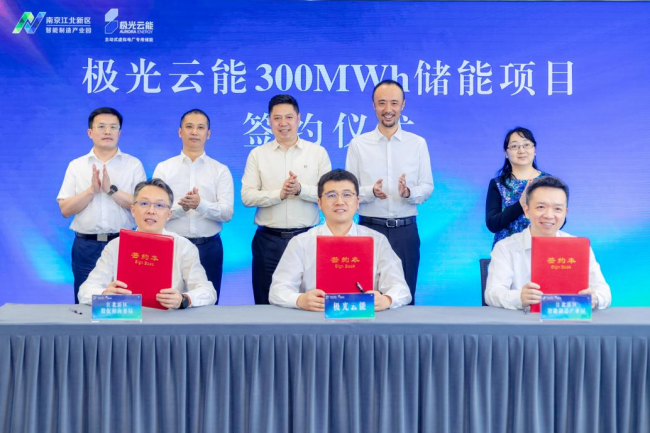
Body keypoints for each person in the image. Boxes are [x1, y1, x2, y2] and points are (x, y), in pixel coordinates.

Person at [269, 169, 411, 311]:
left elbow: (401, 289)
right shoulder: (301, 242)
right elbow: (277, 290)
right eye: (331, 195)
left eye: (347, 195)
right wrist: (299, 300)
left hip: (363, 318)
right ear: (319, 203)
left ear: (357, 202)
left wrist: (387, 300)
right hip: (315, 318)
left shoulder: (377, 241)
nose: (340, 202)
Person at [345, 79, 433, 304]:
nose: (388, 109)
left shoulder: (417, 143)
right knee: (365, 296)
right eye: (381, 103)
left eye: (394, 103)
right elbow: (348, 192)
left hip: (405, 232)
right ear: (373, 105)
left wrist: (409, 193)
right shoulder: (358, 144)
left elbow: (427, 187)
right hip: (368, 229)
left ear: (403, 105)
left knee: (404, 298)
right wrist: (371, 191)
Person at [242, 94, 331, 304]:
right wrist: (279, 195)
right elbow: (247, 196)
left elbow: (328, 195)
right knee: (265, 302)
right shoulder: (258, 154)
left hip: (307, 238)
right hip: (268, 241)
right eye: (277, 118)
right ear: (269, 121)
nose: (283, 123)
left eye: (289, 117)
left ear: (298, 118)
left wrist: (300, 190)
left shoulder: (317, 153)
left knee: (310, 300)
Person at [78, 178, 217, 308]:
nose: (151, 211)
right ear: (133, 210)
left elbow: (208, 292)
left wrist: (184, 299)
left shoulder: (184, 247)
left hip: (168, 320)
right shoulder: (115, 246)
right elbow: (84, 291)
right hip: (125, 318)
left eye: (159, 205)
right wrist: (104, 294)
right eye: (144, 204)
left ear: (169, 214)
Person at [57, 107, 146, 304]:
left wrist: (111, 190)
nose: (107, 131)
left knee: (125, 302)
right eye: (101, 126)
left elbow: (142, 206)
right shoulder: (77, 165)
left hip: (124, 244)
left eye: (113, 127)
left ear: (119, 132)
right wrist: (91, 191)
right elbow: (65, 209)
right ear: (90, 132)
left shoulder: (133, 164)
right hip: (86, 246)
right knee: (86, 303)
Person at [485, 176, 611, 311]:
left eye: (557, 209)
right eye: (541, 207)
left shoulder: (579, 247)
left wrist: (595, 298)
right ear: (527, 211)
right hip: (522, 321)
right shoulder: (505, 247)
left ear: (565, 213)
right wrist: (519, 297)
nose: (549, 215)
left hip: (569, 319)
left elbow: (604, 291)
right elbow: (492, 293)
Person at [153, 109, 233, 303]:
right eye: (189, 127)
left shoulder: (220, 170)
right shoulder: (164, 168)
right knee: (166, 302)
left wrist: (200, 205)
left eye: (200, 127)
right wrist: (183, 208)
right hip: (170, 246)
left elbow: (227, 213)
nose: (194, 132)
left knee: (207, 304)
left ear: (208, 133)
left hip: (208, 248)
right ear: (180, 132)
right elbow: (155, 212)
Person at [486, 127, 550, 247]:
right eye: (515, 146)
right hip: (505, 250)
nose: (521, 150)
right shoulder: (498, 183)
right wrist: (521, 203)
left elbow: (560, 220)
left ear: (534, 149)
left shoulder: (548, 182)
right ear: (506, 153)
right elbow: (492, 224)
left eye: (526, 145)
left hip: (540, 248)